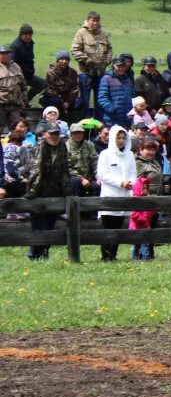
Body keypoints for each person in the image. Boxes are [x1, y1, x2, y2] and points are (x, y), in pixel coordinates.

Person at [24, 122, 68, 259]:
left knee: (49, 226)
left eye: (57, 134)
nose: (54, 137)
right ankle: (34, 255)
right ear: (45, 134)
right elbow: (36, 171)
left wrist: (65, 191)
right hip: (38, 192)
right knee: (38, 227)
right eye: (51, 134)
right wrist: (32, 192)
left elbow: (64, 170)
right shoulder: (39, 147)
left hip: (55, 192)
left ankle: (44, 253)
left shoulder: (62, 147)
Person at [96, 125, 136, 261]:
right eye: (118, 138)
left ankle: (113, 254)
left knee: (118, 226)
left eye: (123, 138)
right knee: (108, 226)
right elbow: (102, 174)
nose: (121, 140)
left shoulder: (129, 154)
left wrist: (130, 182)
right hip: (110, 194)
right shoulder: (105, 154)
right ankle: (105, 256)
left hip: (124, 194)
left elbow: (132, 172)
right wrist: (120, 183)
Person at [70, 11, 112, 118]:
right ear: (88, 21)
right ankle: (86, 125)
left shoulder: (104, 34)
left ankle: (99, 125)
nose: (95, 23)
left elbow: (109, 49)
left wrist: (107, 61)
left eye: (97, 21)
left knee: (100, 100)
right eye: (93, 21)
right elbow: (75, 50)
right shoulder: (81, 33)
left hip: (100, 72)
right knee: (85, 100)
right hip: (85, 72)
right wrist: (88, 61)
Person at [132, 139, 166, 260]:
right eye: (148, 149)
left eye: (153, 149)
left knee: (153, 226)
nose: (151, 152)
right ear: (141, 150)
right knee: (143, 228)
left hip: (156, 200)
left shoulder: (155, 162)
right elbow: (138, 182)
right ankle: (139, 254)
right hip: (145, 201)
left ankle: (149, 253)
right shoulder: (138, 163)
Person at [10, 24, 45, 104]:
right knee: (21, 95)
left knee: (42, 84)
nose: (28, 36)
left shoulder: (29, 44)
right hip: (19, 76)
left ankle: (26, 101)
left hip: (28, 74)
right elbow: (11, 63)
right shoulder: (15, 47)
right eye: (26, 34)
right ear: (21, 35)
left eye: (30, 34)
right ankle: (22, 105)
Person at [42, 51, 81, 120]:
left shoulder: (73, 72)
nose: (64, 61)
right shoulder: (51, 72)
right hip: (54, 97)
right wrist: (61, 102)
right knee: (54, 101)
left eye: (66, 59)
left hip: (67, 98)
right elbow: (49, 89)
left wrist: (68, 102)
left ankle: (72, 120)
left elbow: (74, 89)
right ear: (57, 61)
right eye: (62, 59)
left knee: (79, 102)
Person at [97, 58, 135, 128]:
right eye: (118, 66)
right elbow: (102, 98)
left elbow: (132, 96)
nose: (121, 68)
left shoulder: (128, 79)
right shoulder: (106, 79)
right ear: (113, 66)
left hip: (127, 118)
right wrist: (111, 108)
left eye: (123, 66)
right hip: (112, 119)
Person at [65, 122, 98, 197]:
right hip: (74, 177)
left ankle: (94, 208)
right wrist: (81, 179)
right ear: (71, 134)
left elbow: (95, 161)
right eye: (75, 133)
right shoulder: (66, 147)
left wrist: (98, 176)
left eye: (80, 133)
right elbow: (67, 168)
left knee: (97, 185)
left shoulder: (90, 145)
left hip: (89, 176)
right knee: (75, 182)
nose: (78, 135)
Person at [0, 43, 27, 133]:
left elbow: (23, 85)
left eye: (7, 53)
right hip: (1, 104)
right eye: (3, 54)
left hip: (15, 105)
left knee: (18, 129)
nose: (5, 55)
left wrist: (24, 100)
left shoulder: (16, 67)